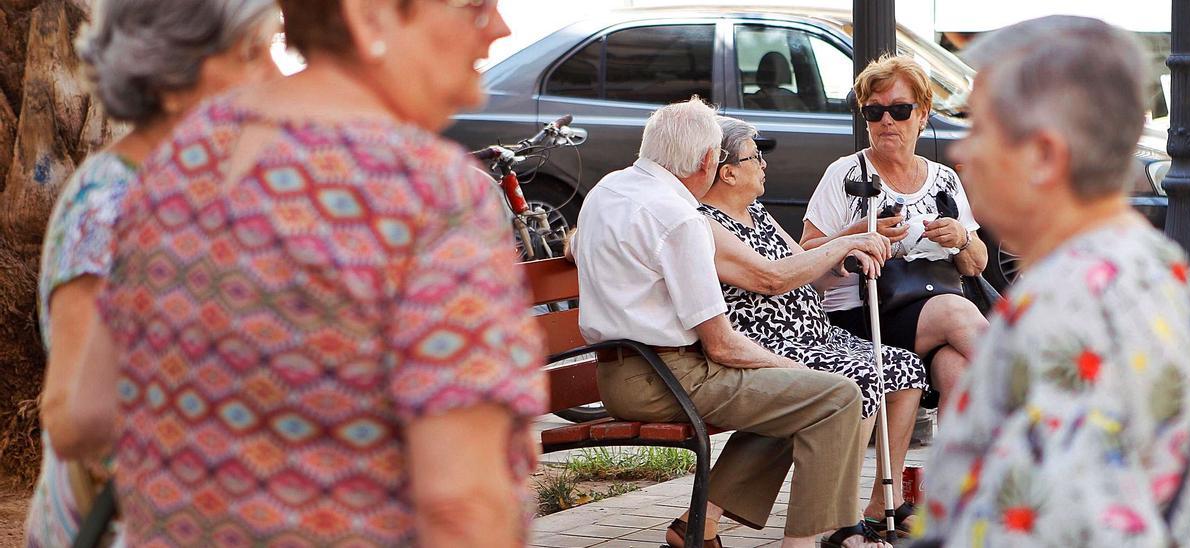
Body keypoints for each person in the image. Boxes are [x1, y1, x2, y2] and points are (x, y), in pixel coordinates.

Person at [49, 1, 547, 546]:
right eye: (474, 6)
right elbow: (463, 509)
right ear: (369, 16)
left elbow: (92, 408)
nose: (499, 27)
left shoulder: (176, 159)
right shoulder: (430, 192)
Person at [915, 16, 1190, 546]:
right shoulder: (1145, 260)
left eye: (978, 126)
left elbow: (1066, 523)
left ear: (1045, 156)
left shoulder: (1072, 300)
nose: (960, 150)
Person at [30, 1, 279, 545]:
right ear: (172, 73)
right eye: (254, 53)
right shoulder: (111, 203)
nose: (276, 76)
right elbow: (72, 415)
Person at [574, 97, 874, 548]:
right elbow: (722, 346)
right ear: (709, 160)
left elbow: (577, 246)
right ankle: (802, 544)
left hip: (619, 372)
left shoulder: (608, 190)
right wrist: (797, 370)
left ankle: (699, 523)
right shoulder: (680, 220)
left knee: (797, 396)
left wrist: (790, 374)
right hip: (666, 376)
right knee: (835, 395)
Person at [697, 115, 927, 543]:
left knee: (905, 367)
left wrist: (844, 255)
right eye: (754, 156)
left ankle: (883, 505)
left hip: (812, 333)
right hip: (769, 341)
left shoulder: (757, 213)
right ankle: (838, 524)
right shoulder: (708, 223)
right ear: (727, 172)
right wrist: (843, 242)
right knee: (861, 379)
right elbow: (773, 278)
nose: (763, 164)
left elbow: (802, 267)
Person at [800, 55, 988, 414]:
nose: (887, 120)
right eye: (874, 112)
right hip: (861, 317)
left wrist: (961, 237)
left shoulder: (944, 178)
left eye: (900, 110)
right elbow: (804, 255)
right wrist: (857, 234)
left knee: (957, 370)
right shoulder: (846, 174)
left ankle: (946, 471)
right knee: (954, 310)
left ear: (923, 113)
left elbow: (976, 264)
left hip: (932, 315)